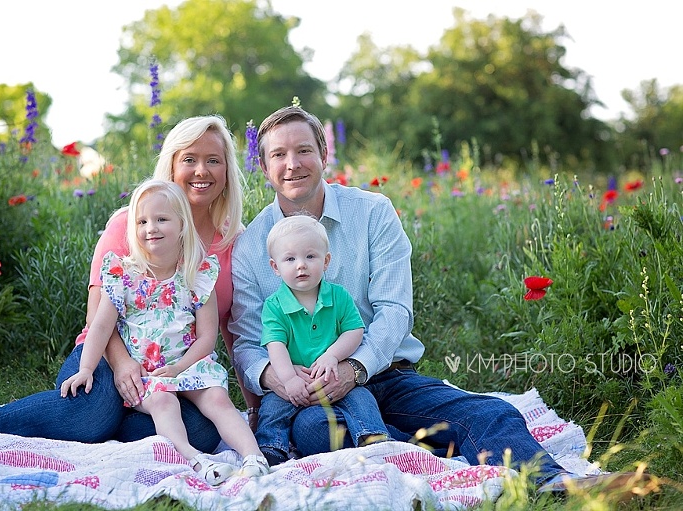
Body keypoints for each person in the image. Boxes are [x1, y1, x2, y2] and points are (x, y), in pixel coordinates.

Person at [229, 105, 649, 494]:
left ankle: (555, 484)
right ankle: (443, 462)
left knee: (490, 414)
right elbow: (248, 342)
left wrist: (354, 368)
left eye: (304, 150)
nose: (293, 164)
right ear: (264, 167)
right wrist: (280, 379)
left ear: (323, 153)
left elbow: (395, 310)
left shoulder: (372, 212)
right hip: (307, 394)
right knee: (318, 433)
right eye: (279, 155)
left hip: (384, 374)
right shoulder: (251, 247)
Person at [0, 115, 252, 450]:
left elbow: (234, 329)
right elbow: (97, 317)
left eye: (213, 161)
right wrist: (122, 364)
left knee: (202, 432)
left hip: (172, 372)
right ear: (172, 166)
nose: (202, 171)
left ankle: (105, 423)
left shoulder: (232, 240)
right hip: (107, 350)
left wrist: (254, 406)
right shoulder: (131, 226)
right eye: (189, 159)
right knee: (93, 411)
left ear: (227, 171)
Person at [61, 179, 268, 483]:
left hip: (186, 365)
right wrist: (86, 368)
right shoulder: (124, 275)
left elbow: (207, 337)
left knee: (218, 400)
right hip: (146, 374)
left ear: (182, 225)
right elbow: (101, 326)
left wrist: (180, 367)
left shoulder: (198, 274)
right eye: (142, 221)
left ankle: (255, 458)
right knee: (164, 402)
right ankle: (196, 461)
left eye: (161, 219)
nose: (151, 228)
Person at [255, 215, 389, 466]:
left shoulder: (339, 296)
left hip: (334, 376)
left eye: (310, 256)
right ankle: (271, 448)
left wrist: (332, 356)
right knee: (273, 407)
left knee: (361, 398)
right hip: (298, 380)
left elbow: (354, 331)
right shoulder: (274, 306)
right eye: (290, 259)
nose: (301, 265)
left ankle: (373, 437)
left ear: (326, 261)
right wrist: (289, 379)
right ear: (275, 267)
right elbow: (276, 346)